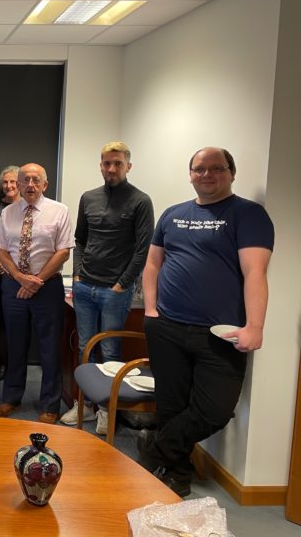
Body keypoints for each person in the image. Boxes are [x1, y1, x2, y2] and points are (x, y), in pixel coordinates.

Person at [138, 147, 273, 497]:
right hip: (167, 326)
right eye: (200, 169)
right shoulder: (172, 214)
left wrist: (255, 326)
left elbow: (255, 271)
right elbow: (153, 264)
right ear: (190, 174)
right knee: (171, 404)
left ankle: (154, 448)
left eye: (217, 168)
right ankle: (177, 476)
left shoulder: (248, 214)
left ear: (232, 172)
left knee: (214, 410)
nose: (207, 174)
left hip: (221, 334)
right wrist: (150, 311)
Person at [61, 142, 154, 435]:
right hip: (85, 286)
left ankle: (106, 408)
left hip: (114, 290)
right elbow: (80, 240)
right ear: (100, 165)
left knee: (110, 349)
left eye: (117, 163)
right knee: (84, 346)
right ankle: (85, 405)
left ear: (128, 166)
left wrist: (121, 285)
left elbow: (142, 250)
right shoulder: (89, 198)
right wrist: (77, 276)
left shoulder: (140, 200)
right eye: (106, 163)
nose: (111, 168)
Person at [0, 163, 74, 423]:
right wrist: (19, 278)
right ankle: (11, 397)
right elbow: (2, 251)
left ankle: (50, 405)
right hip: (14, 285)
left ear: (44, 185)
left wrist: (36, 280)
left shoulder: (59, 211)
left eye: (35, 180)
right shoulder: (8, 213)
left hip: (47, 286)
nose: (30, 184)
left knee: (49, 346)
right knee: (15, 343)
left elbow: (63, 251)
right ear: (17, 184)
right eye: (24, 179)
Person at [0, 165, 20, 383]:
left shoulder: (28, 208)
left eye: (13, 181)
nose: (9, 186)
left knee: (19, 324)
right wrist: (0, 265)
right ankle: (3, 363)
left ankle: (17, 366)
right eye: (5, 182)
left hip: (23, 274)